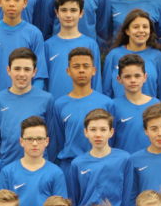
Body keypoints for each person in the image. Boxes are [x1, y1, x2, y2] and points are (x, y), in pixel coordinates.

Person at [67, 109, 133, 206]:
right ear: (86, 132)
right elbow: (74, 198)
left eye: (103, 129)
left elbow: (127, 196)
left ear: (111, 132)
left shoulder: (124, 159)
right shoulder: (77, 163)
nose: (98, 135)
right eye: (93, 129)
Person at [0, 115, 67, 206]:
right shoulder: (7, 172)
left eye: (39, 139)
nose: (34, 143)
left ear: (47, 141)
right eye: (29, 139)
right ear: (21, 141)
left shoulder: (56, 172)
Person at [49, 47, 115, 175]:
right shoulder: (59, 104)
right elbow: (58, 140)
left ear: (94, 70)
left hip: (100, 165)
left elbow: (111, 140)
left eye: (86, 66)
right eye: (76, 66)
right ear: (68, 71)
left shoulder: (106, 103)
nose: (81, 70)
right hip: (70, 166)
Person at [0, 48, 55, 165]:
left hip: (39, 168)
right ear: (8, 70)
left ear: (34, 72)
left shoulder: (47, 99)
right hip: (8, 166)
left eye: (27, 69)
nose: (22, 74)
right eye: (17, 69)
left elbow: (52, 137)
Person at [102, 9, 161, 102]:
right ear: (127, 31)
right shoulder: (113, 55)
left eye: (145, 27)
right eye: (136, 27)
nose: (141, 30)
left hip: (151, 114)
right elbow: (106, 91)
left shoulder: (157, 56)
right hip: (119, 114)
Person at [44, 0, 102, 97]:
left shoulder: (91, 44)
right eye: (64, 10)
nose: (68, 15)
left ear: (81, 13)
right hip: (55, 106)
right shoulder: (47, 46)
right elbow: (44, 82)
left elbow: (96, 81)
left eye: (73, 10)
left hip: (85, 107)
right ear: (57, 13)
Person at [111, 53, 159, 154]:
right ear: (119, 79)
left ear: (145, 77)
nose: (133, 80)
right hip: (124, 165)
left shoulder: (156, 105)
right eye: (127, 76)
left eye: (137, 76)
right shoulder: (113, 106)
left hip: (150, 163)